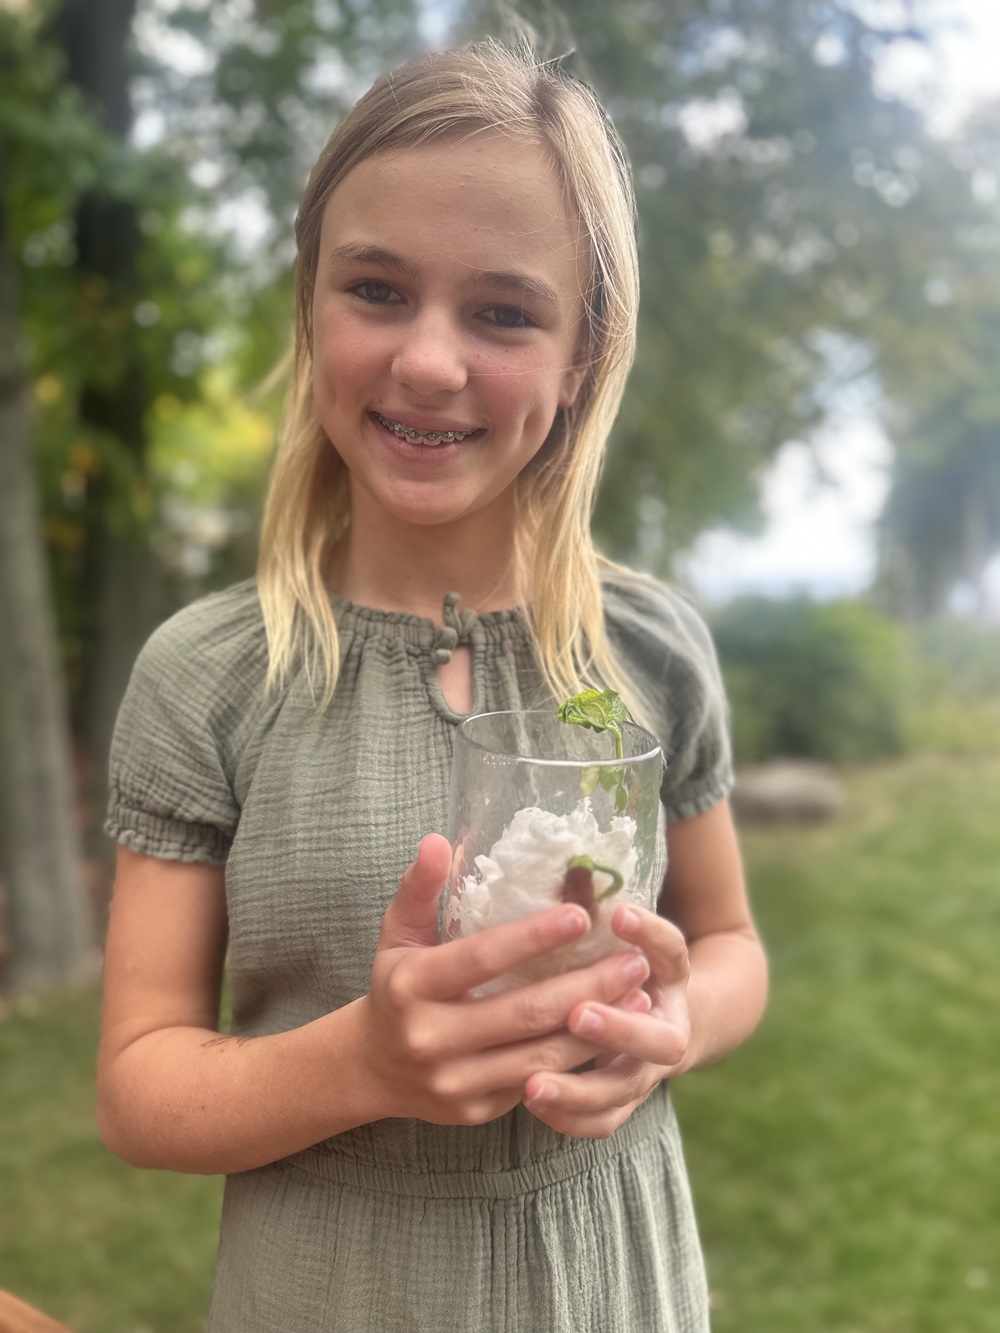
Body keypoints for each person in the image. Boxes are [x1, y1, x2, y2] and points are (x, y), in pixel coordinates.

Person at [97, 36, 768, 1333]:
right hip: (330, 1291)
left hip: (614, 1282)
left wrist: (675, 1021)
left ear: (583, 353)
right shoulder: (211, 679)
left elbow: (732, 943)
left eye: (504, 312)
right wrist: (362, 1061)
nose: (428, 362)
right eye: (378, 289)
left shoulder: (647, 651)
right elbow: (138, 1088)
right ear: (311, 307)